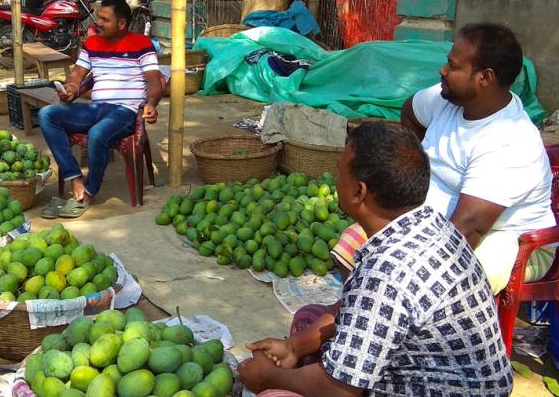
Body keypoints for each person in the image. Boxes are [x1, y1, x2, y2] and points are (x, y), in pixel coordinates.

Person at [238, 122, 513, 397]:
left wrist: (269, 377)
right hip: (467, 379)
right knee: (309, 318)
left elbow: (340, 390)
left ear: (359, 191)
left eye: (339, 170)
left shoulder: (386, 272)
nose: (334, 178)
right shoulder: (432, 224)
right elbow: (360, 309)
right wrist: (293, 347)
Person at [331, 24, 556, 295]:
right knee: (354, 245)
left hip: (508, 238)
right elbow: (410, 113)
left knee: (438, 285)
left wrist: (404, 261)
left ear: (484, 78)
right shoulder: (445, 99)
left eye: (453, 65)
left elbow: (466, 231)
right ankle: (366, 309)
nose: (443, 71)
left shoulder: (509, 141)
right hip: (438, 219)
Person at [38, 0, 162, 218]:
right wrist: (71, 88)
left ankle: (89, 191)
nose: (98, 23)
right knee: (48, 114)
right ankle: (75, 177)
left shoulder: (142, 44)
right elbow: (77, 74)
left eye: (105, 19)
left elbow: (154, 80)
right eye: (98, 17)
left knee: (97, 134)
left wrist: (151, 103)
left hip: (125, 111)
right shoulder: (92, 44)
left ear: (122, 24)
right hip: (95, 109)